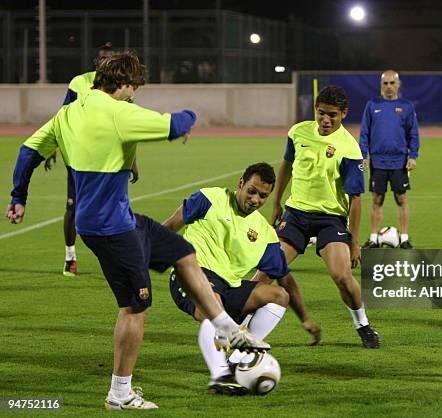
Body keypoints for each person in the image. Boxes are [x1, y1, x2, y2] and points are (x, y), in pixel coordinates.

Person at [6, 52, 269, 410]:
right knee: (136, 307)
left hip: (119, 218)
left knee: (182, 252)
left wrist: (18, 195)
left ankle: (224, 327)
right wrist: (192, 115)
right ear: (125, 84)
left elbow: (28, 152)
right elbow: (176, 124)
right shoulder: (119, 112)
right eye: (134, 88)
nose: (134, 95)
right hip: (110, 229)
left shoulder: (69, 112)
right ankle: (119, 392)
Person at [164, 162, 320, 395]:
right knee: (212, 303)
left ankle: (237, 361)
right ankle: (219, 377)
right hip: (192, 275)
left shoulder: (264, 233)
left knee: (278, 296)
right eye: (252, 191)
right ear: (240, 184)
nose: (256, 200)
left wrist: (305, 319)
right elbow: (170, 226)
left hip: (228, 286)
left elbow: (285, 278)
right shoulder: (209, 199)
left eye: (263, 196)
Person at [269, 85, 380, 349]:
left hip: (330, 218)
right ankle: (242, 329)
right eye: (321, 113)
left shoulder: (350, 149)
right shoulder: (298, 132)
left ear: (344, 113)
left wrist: (353, 241)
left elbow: (355, 199)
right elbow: (286, 164)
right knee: (267, 270)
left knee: (341, 276)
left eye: (332, 115)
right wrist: (276, 203)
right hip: (295, 214)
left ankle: (362, 323)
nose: (325, 120)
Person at [44, 42, 140, 277]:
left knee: (114, 208)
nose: (107, 62)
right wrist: (51, 148)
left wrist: (133, 161)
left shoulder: (123, 87)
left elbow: (129, 126)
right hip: (81, 157)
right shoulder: (79, 83)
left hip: (112, 159)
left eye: (111, 58)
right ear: (98, 62)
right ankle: (70, 256)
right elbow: (63, 117)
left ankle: (117, 258)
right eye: (103, 58)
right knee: (73, 206)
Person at [360, 70, 420, 250]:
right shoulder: (372, 105)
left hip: (399, 161)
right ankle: (373, 238)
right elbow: (364, 133)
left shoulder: (406, 107)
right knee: (376, 199)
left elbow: (413, 133)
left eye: (392, 83)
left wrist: (413, 156)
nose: (388, 87)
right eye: (385, 83)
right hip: (377, 161)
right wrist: (363, 156)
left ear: (398, 84)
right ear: (381, 85)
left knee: (401, 198)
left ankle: (404, 238)